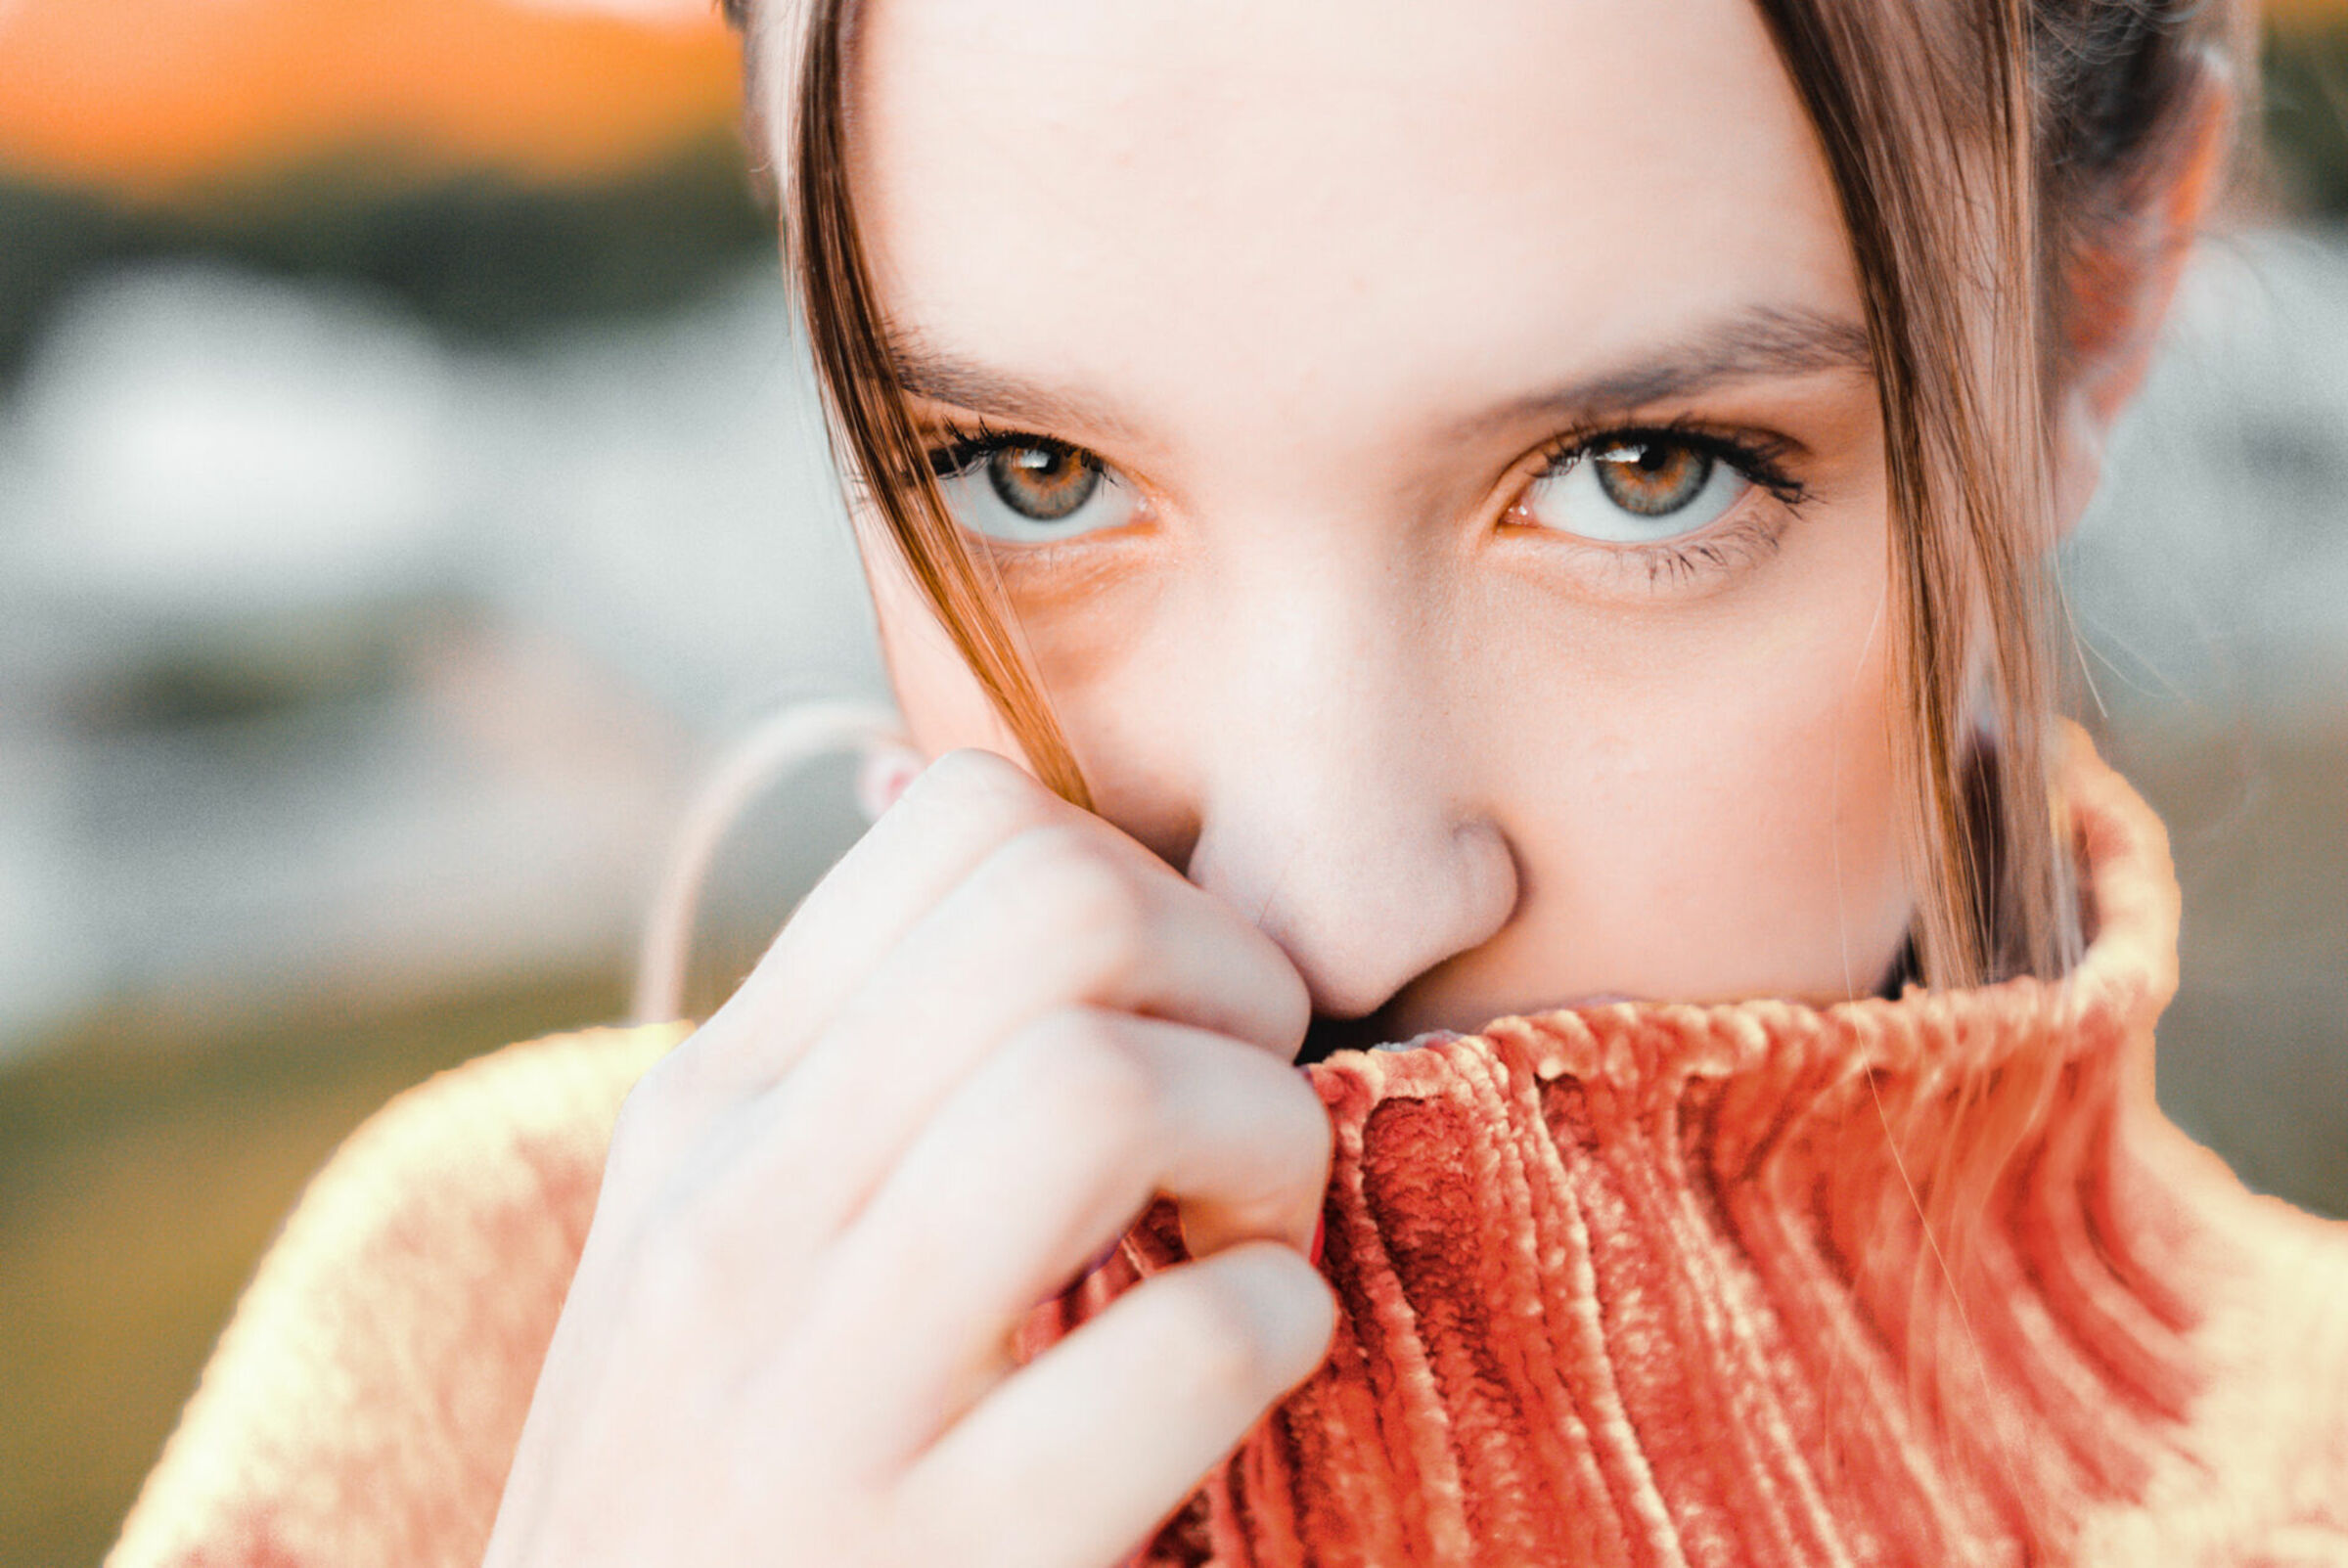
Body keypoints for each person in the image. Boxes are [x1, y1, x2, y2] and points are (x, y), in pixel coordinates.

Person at [107, 0, 2348, 1564]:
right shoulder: (502, 1359)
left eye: (1644, 474)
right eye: (1028, 473)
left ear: (2102, 290)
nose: (1328, 893)